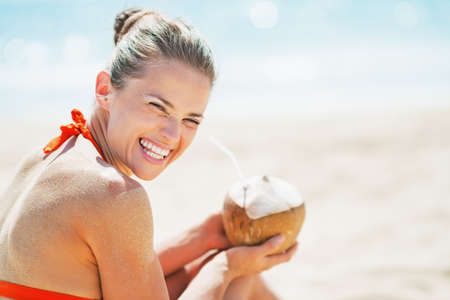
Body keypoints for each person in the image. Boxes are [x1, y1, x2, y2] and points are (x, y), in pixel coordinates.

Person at [0, 8, 298, 300]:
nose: (172, 135)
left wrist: (205, 237)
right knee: (239, 279)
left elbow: (106, 272)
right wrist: (226, 266)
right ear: (105, 89)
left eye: (190, 120)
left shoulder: (45, 156)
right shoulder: (113, 193)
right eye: (157, 106)